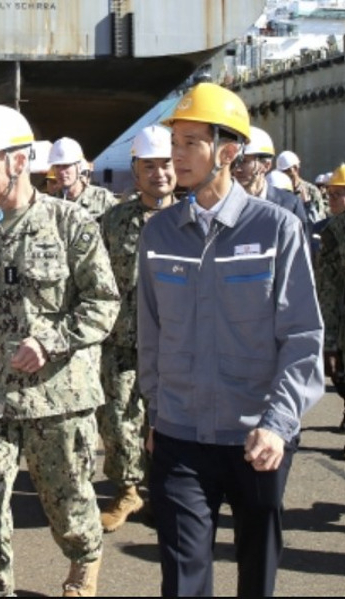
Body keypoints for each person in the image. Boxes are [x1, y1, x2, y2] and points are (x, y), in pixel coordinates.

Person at [137, 82, 324, 597]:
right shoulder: (159, 235)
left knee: (255, 576)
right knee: (182, 581)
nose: (176, 157)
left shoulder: (278, 230)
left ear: (228, 150)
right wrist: (156, 414)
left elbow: (303, 338)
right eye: (174, 142)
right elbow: (150, 334)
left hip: (256, 440)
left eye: (190, 143)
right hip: (179, 438)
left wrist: (278, 425)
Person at [0, 104, 119, 596]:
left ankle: (84, 560)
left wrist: (50, 340)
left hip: (57, 397)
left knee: (68, 508)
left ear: (19, 162)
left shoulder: (71, 224)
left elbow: (104, 302)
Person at [97, 125, 177, 533]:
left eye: (165, 164)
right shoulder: (113, 221)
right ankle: (128, 490)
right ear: (136, 169)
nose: (159, 173)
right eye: (150, 166)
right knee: (117, 418)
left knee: (171, 421)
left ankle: (165, 492)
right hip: (123, 342)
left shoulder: (192, 218)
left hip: (178, 344)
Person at [313, 164, 345, 432]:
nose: (330, 200)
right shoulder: (332, 232)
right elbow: (329, 288)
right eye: (330, 194)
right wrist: (330, 340)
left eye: (338, 194)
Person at [231, 126, 308, 235]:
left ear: (266, 166)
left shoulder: (289, 205)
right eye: (234, 161)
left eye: (244, 161)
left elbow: (302, 248)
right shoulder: (224, 204)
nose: (237, 169)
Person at [47, 137, 118, 220]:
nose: (61, 171)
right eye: (57, 166)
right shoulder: (50, 204)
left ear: (79, 167)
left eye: (66, 165)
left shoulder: (103, 199)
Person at [277, 149, 326, 224]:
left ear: (296, 168)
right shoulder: (278, 191)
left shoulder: (311, 191)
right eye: (282, 172)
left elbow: (320, 220)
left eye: (286, 171)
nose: (284, 175)